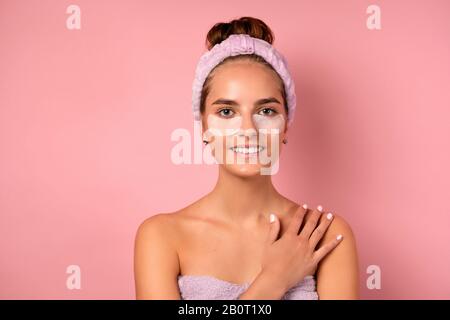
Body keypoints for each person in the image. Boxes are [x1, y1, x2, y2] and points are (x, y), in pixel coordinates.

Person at [134, 16, 359, 299]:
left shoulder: (324, 235)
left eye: (266, 111)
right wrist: (274, 280)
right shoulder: (161, 237)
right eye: (227, 112)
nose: (248, 131)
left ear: (286, 125)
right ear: (204, 127)